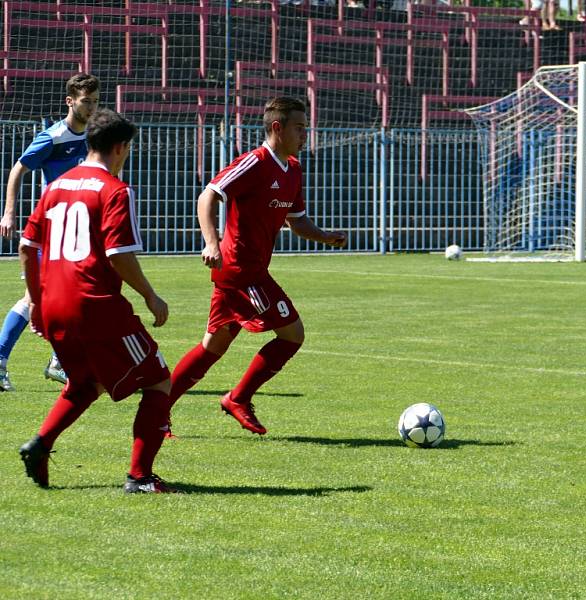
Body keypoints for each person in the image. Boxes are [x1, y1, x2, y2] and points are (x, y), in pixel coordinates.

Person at [17, 108, 177, 493]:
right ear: (121, 147)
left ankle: (40, 445)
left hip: (54, 303)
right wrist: (150, 296)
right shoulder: (115, 190)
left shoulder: (56, 186)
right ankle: (140, 478)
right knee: (158, 382)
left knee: (85, 382)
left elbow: (26, 246)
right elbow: (119, 254)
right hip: (95, 304)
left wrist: (37, 303)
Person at [166, 96, 347, 436]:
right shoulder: (254, 162)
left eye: (305, 128)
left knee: (213, 346)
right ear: (277, 127)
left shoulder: (292, 168)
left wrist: (326, 237)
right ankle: (238, 398)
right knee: (292, 334)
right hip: (240, 271)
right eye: (299, 128)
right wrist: (211, 242)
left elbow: (297, 221)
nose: (304, 135)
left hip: (246, 271)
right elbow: (209, 195)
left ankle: (160, 409)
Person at [0, 73, 100, 392]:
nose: (92, 107)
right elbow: (18, 169)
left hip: (76, 229)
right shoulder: (53, 137)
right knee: (36, 297)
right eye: (87, 101)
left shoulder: (95, 136)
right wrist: (10, 212)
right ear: (70, 101)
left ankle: (59, 362)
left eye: (96, 101)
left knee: (73, 296)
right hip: (51, 228)